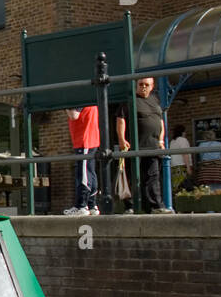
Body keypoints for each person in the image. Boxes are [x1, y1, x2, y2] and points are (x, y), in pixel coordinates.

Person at [114, 77, 171, 214]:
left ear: (152, 86)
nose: (143, 87)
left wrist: (161, 140)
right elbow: (120, 120)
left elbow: (160, 121)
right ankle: (130, 206)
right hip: (136, 146)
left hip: (153, 146)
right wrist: (121, 139)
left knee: (153, 177)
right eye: (141, 84)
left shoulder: (155, 100)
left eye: (147, 85)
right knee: (133, 177)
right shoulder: (130, 100)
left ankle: (156, 206)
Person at [63, 105, 100, 216]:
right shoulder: (90, 95)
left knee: (83, 172)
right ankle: (92, 205)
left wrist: (64, 106)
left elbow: (74, 115)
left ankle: (81, 205)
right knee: (90, 172)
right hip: (91, 139)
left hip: (84, 139)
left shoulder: (77, 97)